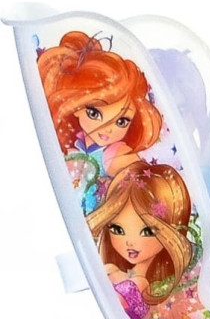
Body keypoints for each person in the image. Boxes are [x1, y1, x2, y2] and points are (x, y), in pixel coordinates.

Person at [37, 31, 163, 212]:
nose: (108, 129)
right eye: (94, 113)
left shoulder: (115, 154)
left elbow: (145, 192)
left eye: (122, 121)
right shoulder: (72, 147)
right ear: (76, 108)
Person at [86, 161, 192, 319]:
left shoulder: (142, 285)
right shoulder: (111, 269)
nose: (129, 242)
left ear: (168, 232)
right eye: (117, 229)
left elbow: (112, 308)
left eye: (148, 231)